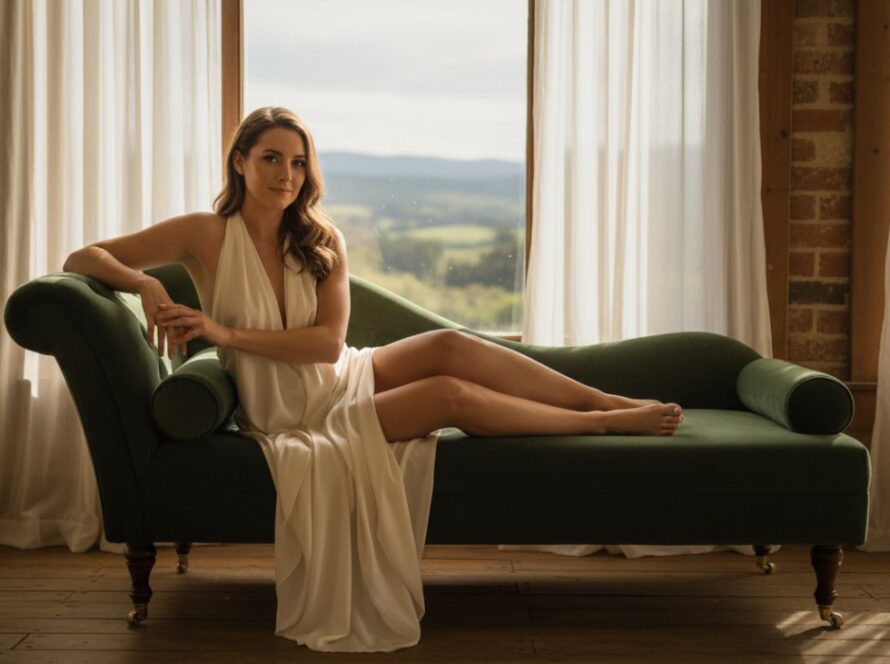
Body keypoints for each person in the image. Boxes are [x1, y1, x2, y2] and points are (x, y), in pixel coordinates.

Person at [62, 106, 683, 652]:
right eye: (271, 158)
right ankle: (598, 421)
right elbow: (82, 258)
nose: (286, 174)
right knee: (448, 396)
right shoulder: (204, 233)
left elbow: (329, 345)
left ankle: (605, 398)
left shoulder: (321, 238)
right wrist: (145, 282)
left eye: (299, 162)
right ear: (240, 162)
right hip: (292, 413)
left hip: (339, 375)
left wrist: (223, 334)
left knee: (450, 344)